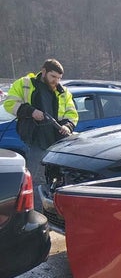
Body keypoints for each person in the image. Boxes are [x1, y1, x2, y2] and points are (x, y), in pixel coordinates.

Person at [3, 59, 78, 194]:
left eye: (59, 78)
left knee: (56, 180)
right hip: (35, 141)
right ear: (43, 71)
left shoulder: (63, 92)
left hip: (57, 143)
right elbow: (9, 103)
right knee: (35, 180)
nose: (56, 81)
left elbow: (72, 114)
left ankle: (49, 203)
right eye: (53, 76)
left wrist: (68, 126)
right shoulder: (25, 84)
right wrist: (31, 111)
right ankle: (34, 205)